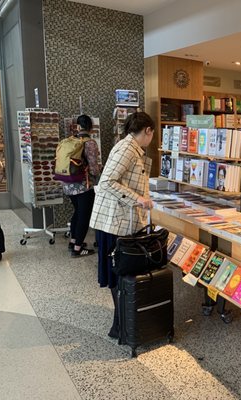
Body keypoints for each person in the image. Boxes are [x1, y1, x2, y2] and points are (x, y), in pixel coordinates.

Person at [89, 111, 155, 338]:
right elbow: (107, 181)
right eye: (152, 134)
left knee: (121, 274)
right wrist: (138, 199)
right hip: (113, 223)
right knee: (119, 273)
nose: (151, 138)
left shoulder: (131, 148)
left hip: (118, 221)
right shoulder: (127, 149)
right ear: (147, 130)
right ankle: (122, 327)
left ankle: (123, 325)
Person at [62, 115, 101, 257]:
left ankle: (73, 241)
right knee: (84, 216)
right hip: (84, 186)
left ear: (77, 126)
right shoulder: (90, 143)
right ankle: (78, 249)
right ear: (90, 127)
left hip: (68, 184)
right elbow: (93, 169)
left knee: (77, 213)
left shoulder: (70, 141)